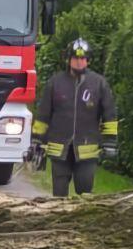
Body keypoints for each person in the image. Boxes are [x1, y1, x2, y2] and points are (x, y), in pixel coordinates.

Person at [31, 38, 119, 197]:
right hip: (59, 149)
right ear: (68, 59)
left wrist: (110, 142)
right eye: (75, 58)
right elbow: (43, 114)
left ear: (88, 60)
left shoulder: (99, 84)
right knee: (59, 194)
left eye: (82, 58)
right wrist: (36, 140)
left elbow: (109, 115)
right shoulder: (55, 82)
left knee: (84, 192)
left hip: (87, 150)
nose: (79, 62)